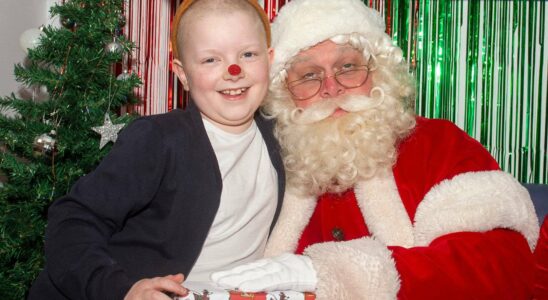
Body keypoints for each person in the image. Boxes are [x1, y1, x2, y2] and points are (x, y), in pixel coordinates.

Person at [210, 0, 540, 299]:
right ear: (286, 95)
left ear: (378, 73)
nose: (331, 87)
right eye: (309, 75)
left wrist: (335, 273)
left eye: (348, 68)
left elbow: (503, 265)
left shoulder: (438, 144)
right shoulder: (267, 163)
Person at [28, 0, 284, 299]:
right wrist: (122, 291)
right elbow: (73, 219)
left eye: (248, 54)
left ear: (269, 60)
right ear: (183, 74)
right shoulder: (159, 140)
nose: (233, 70)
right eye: (210, 60)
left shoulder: (281, 133)